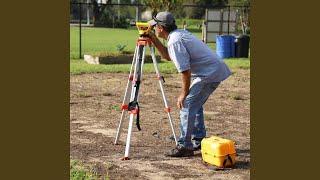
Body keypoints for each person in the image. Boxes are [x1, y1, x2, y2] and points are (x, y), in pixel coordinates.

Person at [148, 11, 232, 157]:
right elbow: (168, 56)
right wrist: (154, 39)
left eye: (154, 27)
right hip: (210, 71)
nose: (153, 28)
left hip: (209, 73)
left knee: (187, 104)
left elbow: (185, 71)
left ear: (161, 28)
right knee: (194, 104)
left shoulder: (175, 40)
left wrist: (183, 93)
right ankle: (198, 138)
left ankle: (185, 146)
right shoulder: (177, 35)